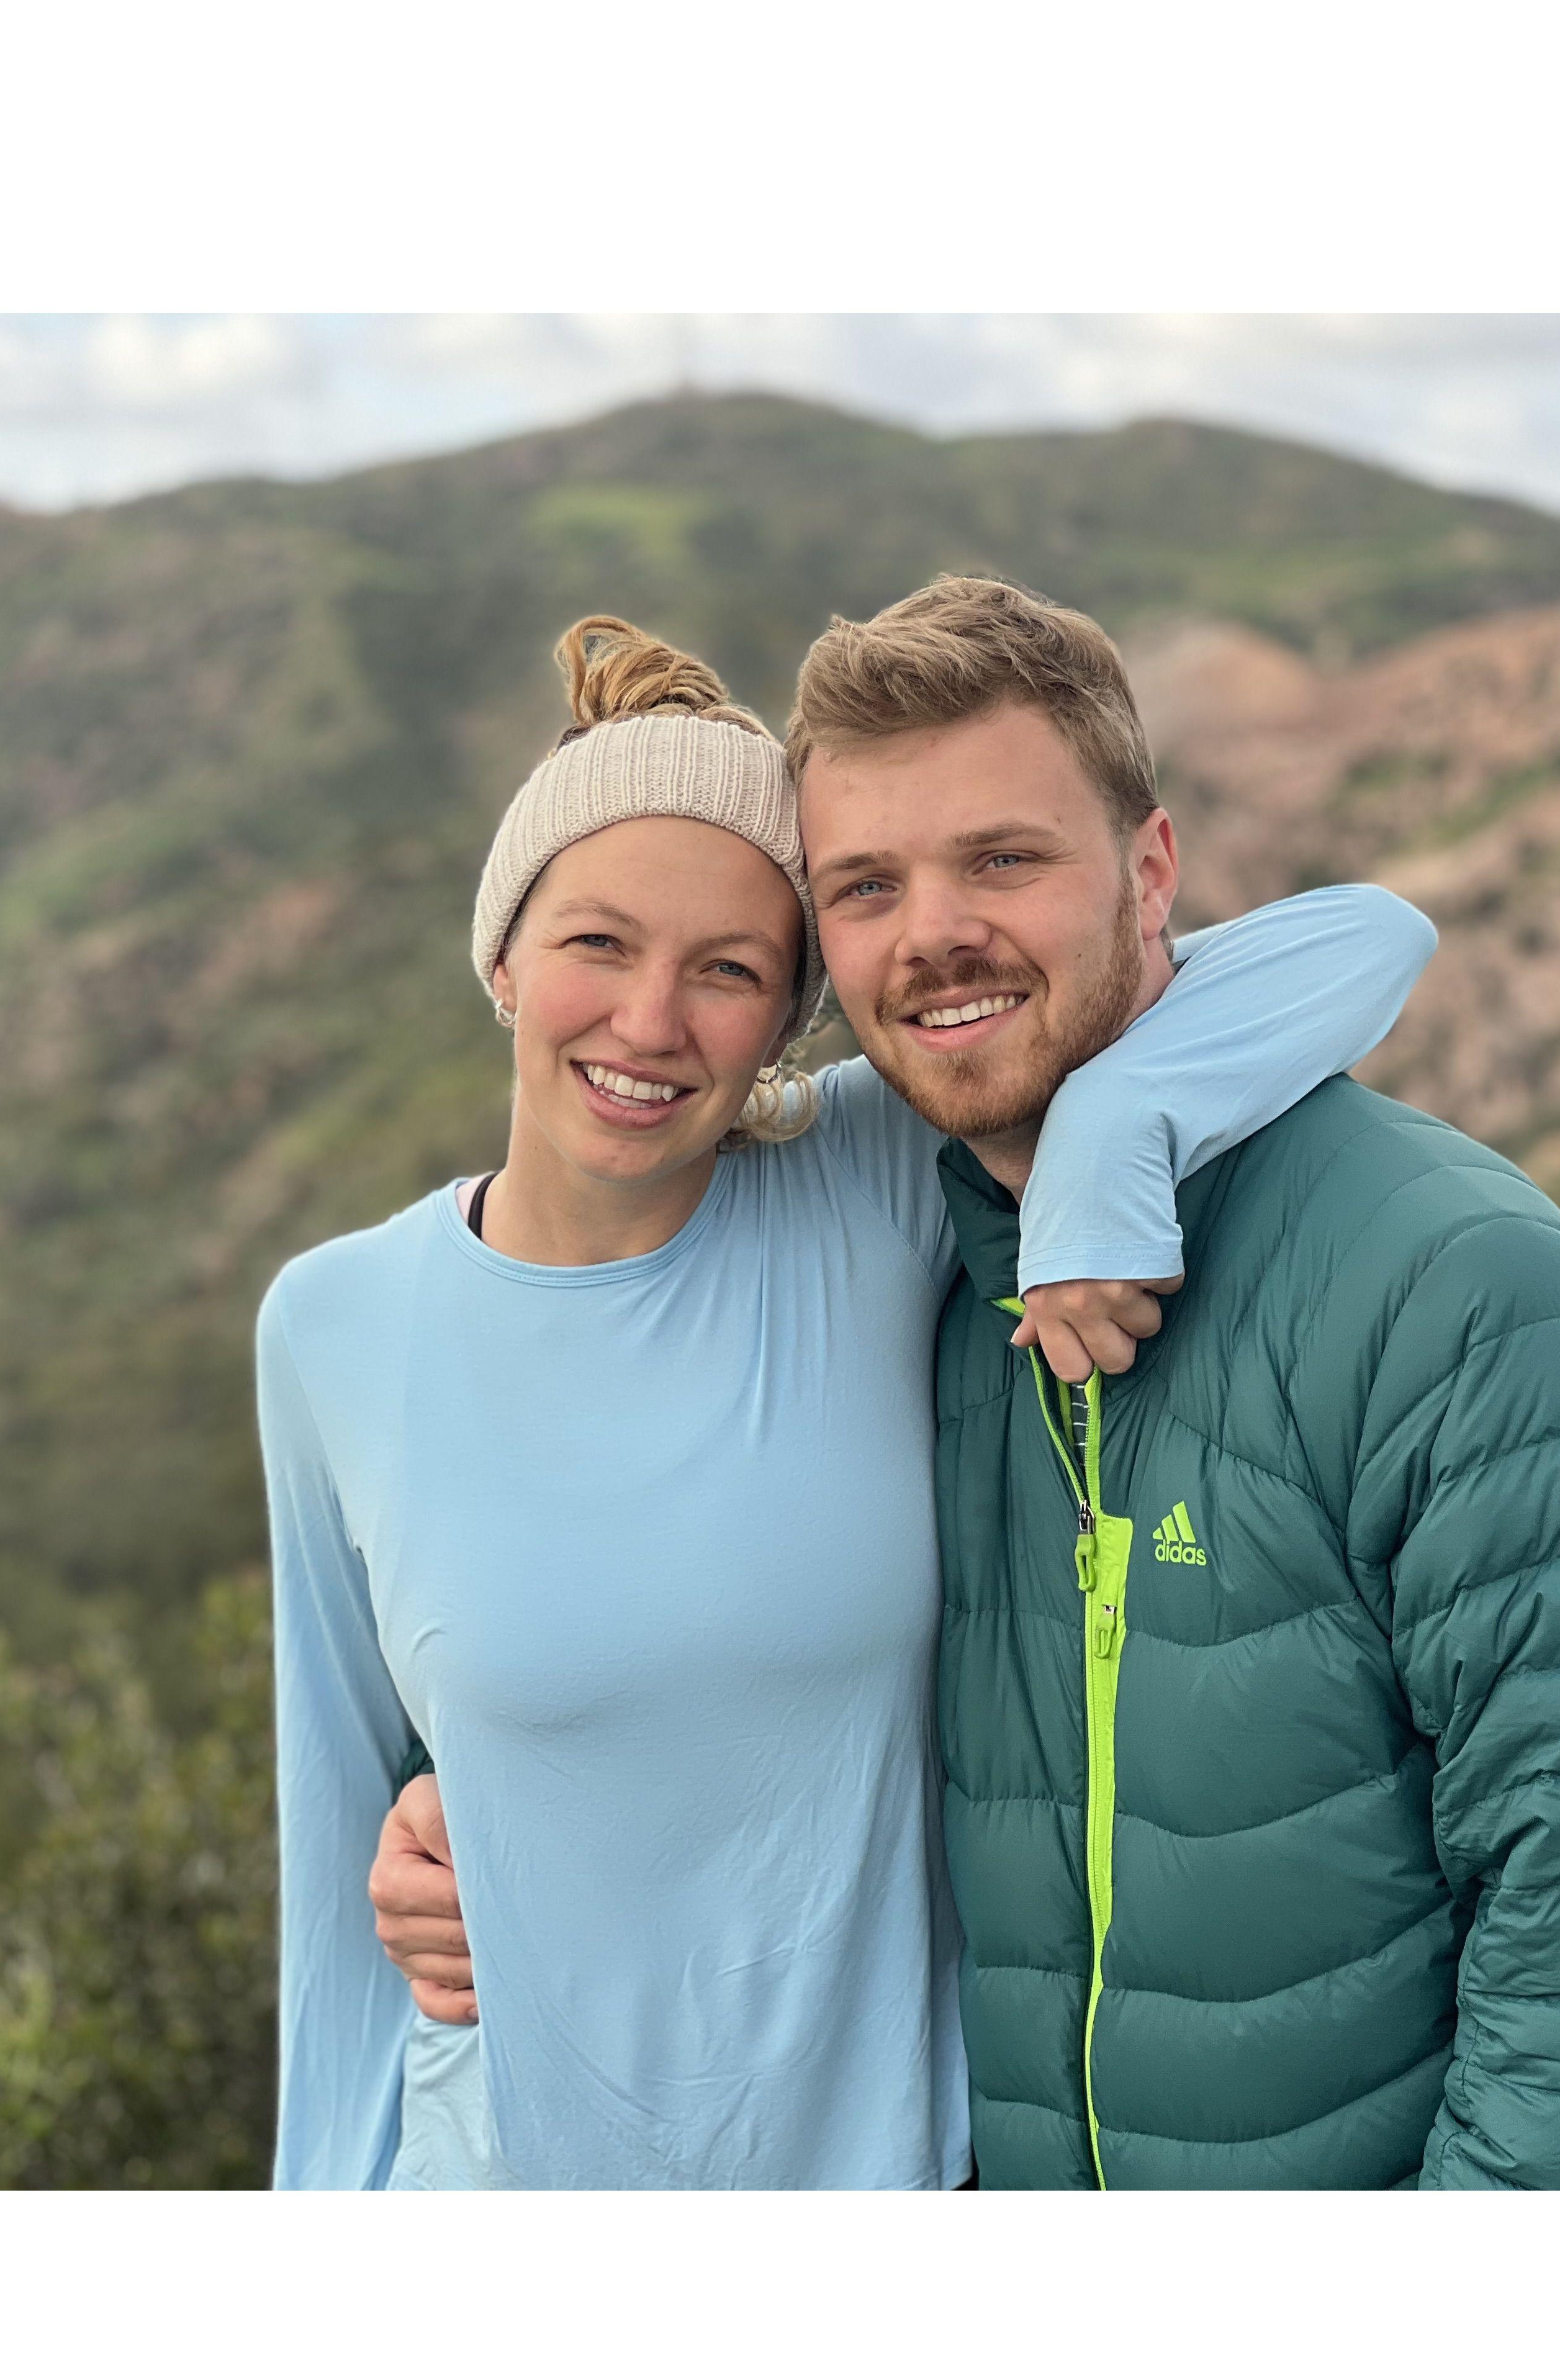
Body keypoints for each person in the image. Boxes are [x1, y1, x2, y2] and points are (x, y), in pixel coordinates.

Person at [384, 576, 1560, 2191]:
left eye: (1004, 859)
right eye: (867, 884)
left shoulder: (1457, 1289)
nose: (935, 932)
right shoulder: (892, 1274)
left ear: (1154, 870)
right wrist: (477, 1808)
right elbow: (685, 1609)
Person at [264, 610, 1436, 2189]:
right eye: (598, 943)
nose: (652, 1023)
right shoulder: (334, 1326)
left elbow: (1368, 941)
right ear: (503, 957)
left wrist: (1108, 1148)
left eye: (730, 971)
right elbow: (338, 1874)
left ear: (788, 1016)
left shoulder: (866, 1177)